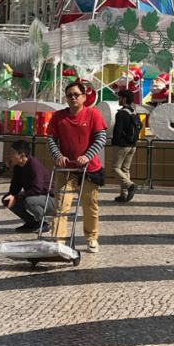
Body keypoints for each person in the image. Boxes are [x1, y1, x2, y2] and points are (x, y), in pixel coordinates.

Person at [45, 80, 108, 252]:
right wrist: (57, 155)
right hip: (66, 169)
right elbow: (50, 138)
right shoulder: (59, 117)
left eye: (76, 94)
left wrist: (87, 156)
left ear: (84, 96)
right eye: (69, 95)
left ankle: (91, 237)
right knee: (61, 205)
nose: (73, 98)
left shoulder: (93, 115)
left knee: (90, 205)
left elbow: (100, 138)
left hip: (89, 169)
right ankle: (58, 240)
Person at [1, 140, 53, 229]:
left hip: (50, 199)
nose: (9, 155)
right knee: (7, 199)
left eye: (12, 153)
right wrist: (11, 195)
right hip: (36, 196)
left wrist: (16, 197)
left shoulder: (34, 165)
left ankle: (44, 222)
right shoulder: (18, 166)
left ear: (22, 155)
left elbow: (37, 189)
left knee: (30, 201)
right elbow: (15, 188)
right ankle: (31, 222)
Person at [111, 89, 142, 203]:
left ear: (124, 99)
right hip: (133, 145)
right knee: (125, 169)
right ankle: (123, 195)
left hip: (122, 145)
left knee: (115, 168)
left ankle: (130, 185)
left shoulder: (121, 113)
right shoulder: (133, 112)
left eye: (119, 97)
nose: (118, 99)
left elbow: (117, 131)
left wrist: (115, 142)